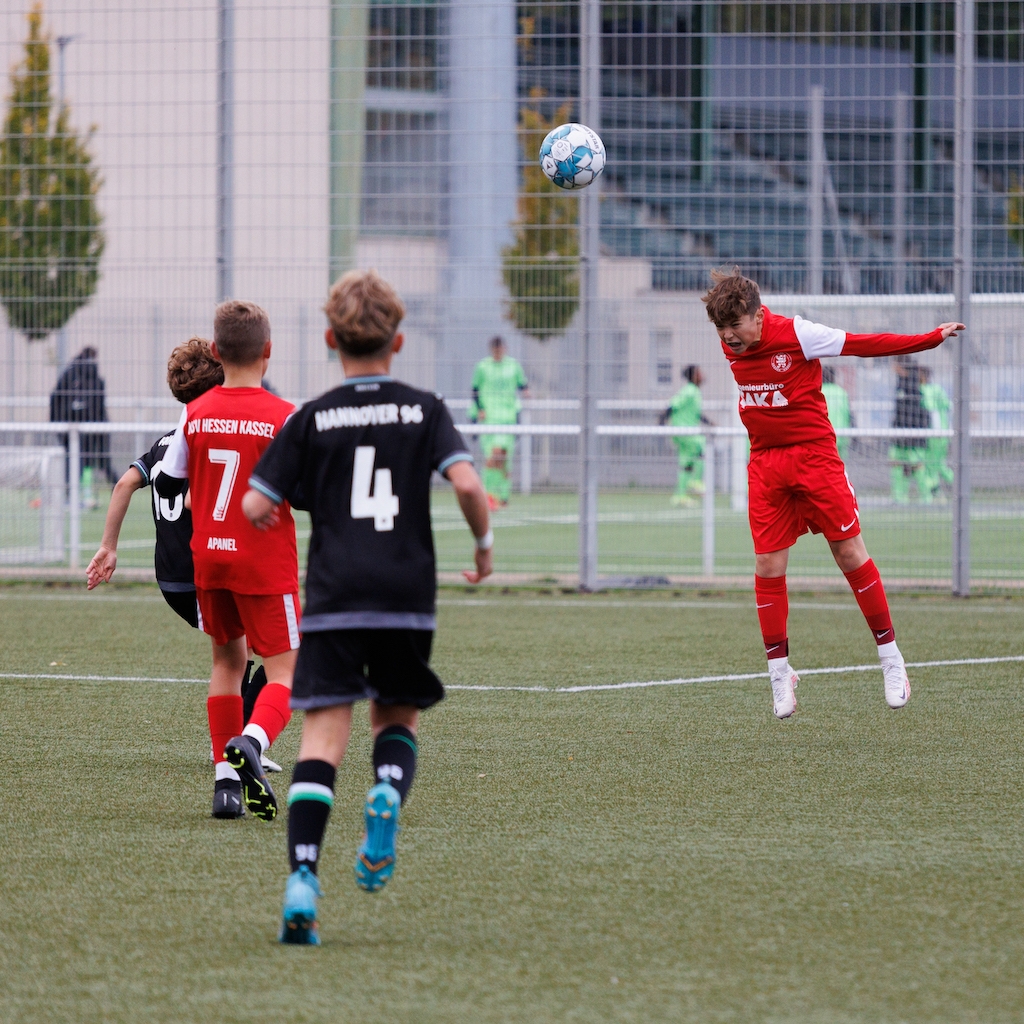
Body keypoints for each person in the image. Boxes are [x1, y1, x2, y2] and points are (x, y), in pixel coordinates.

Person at [240, 269, 491, 946]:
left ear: (330, 340)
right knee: (396, 718)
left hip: (334, 598)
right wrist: (484, 544)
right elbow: (469, 486)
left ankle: (302, 879)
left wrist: (274, 506)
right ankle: (385, 789)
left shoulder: (313, 416)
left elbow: (256, 502)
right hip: (405, 597)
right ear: (398, 341)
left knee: (321, 741)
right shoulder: (424, 409)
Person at [702, 267, 963, 718]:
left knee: (849, 553)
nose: (727, 336)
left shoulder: (799, 334)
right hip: (765, 463)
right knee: (767, 565)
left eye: (734, 326)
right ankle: (780, 674)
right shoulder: (733, 342)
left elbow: (864, 344)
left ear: (759, 316)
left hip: (814, 457)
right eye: (720, 328)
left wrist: (928, 340)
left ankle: (891, 659)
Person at [85, 337, 276, 766]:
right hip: (207, 573)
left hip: (170, 581)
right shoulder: (210, 441)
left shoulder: (164, 444)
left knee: (240, 651)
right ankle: (243, 742)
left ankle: (239, 742)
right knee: (278, 652)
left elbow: (124, 483)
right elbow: (195, 500)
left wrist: (108, 547)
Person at [155, 302, 300, 820]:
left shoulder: (195, 412)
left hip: (211, 560)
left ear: (216, 351)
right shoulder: (285, 416)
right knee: (287, 671)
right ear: (268, 351)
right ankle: (252, 742)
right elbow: (304, 490)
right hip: (264, 562)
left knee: (226, 664)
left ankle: (225, 786)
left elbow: (170, 480)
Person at [468, 336, 529, 510]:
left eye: (500, 349)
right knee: (493, 456)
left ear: (505, 349)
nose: (498, 353)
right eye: (495, 350)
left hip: (508, 418)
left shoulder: (513, 366)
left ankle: (502, 495)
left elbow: (523, 385)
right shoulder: (483, 367)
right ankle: (487, 494)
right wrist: (479, 409)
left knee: (503, 458)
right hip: (490, 418)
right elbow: (475, 390)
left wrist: (527, 393)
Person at [49, 346, 113, 506]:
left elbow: (55, 398)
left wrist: (56, 421)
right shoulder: (87, 376)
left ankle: (78, 495)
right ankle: (79, 495)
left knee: (81, 461)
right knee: (86, 461)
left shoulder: (71, 373)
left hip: (75, 425)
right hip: (87, 426)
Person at [660, 364, 708, 506]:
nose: (702, 375)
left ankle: (680, 496)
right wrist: (660, 422)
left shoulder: (694, 392)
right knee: (701, 447)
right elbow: (672, 405)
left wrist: (710, 423)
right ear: (693, 376)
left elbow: (696, 413)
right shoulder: (689, 391)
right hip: (684, 431)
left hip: (686, 431)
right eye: (699, 373)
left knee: (686, 464)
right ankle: (696, 481)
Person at [889, 358, 931, 504]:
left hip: (912, 435)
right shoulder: (903, 383)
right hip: (902, 434)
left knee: (916, 466)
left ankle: (926, 498)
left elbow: (913, 412)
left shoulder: (912, 386)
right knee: (898, 465)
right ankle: (899, 498)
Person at [919, 365, 953, 501]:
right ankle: (955, 486)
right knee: (938, 463)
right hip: (943, 433)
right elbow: (948, 406)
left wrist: (935, 431)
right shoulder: (938, 389)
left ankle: (936, 491)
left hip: (934, 434)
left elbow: (931, 412)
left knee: (931, 464)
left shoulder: (924, 391)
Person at [820, 364, 853, 459]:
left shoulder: (819, 391)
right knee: (840, 462)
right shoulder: (841, 392)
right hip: (841, 435)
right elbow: (848, 413)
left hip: (824, 434)